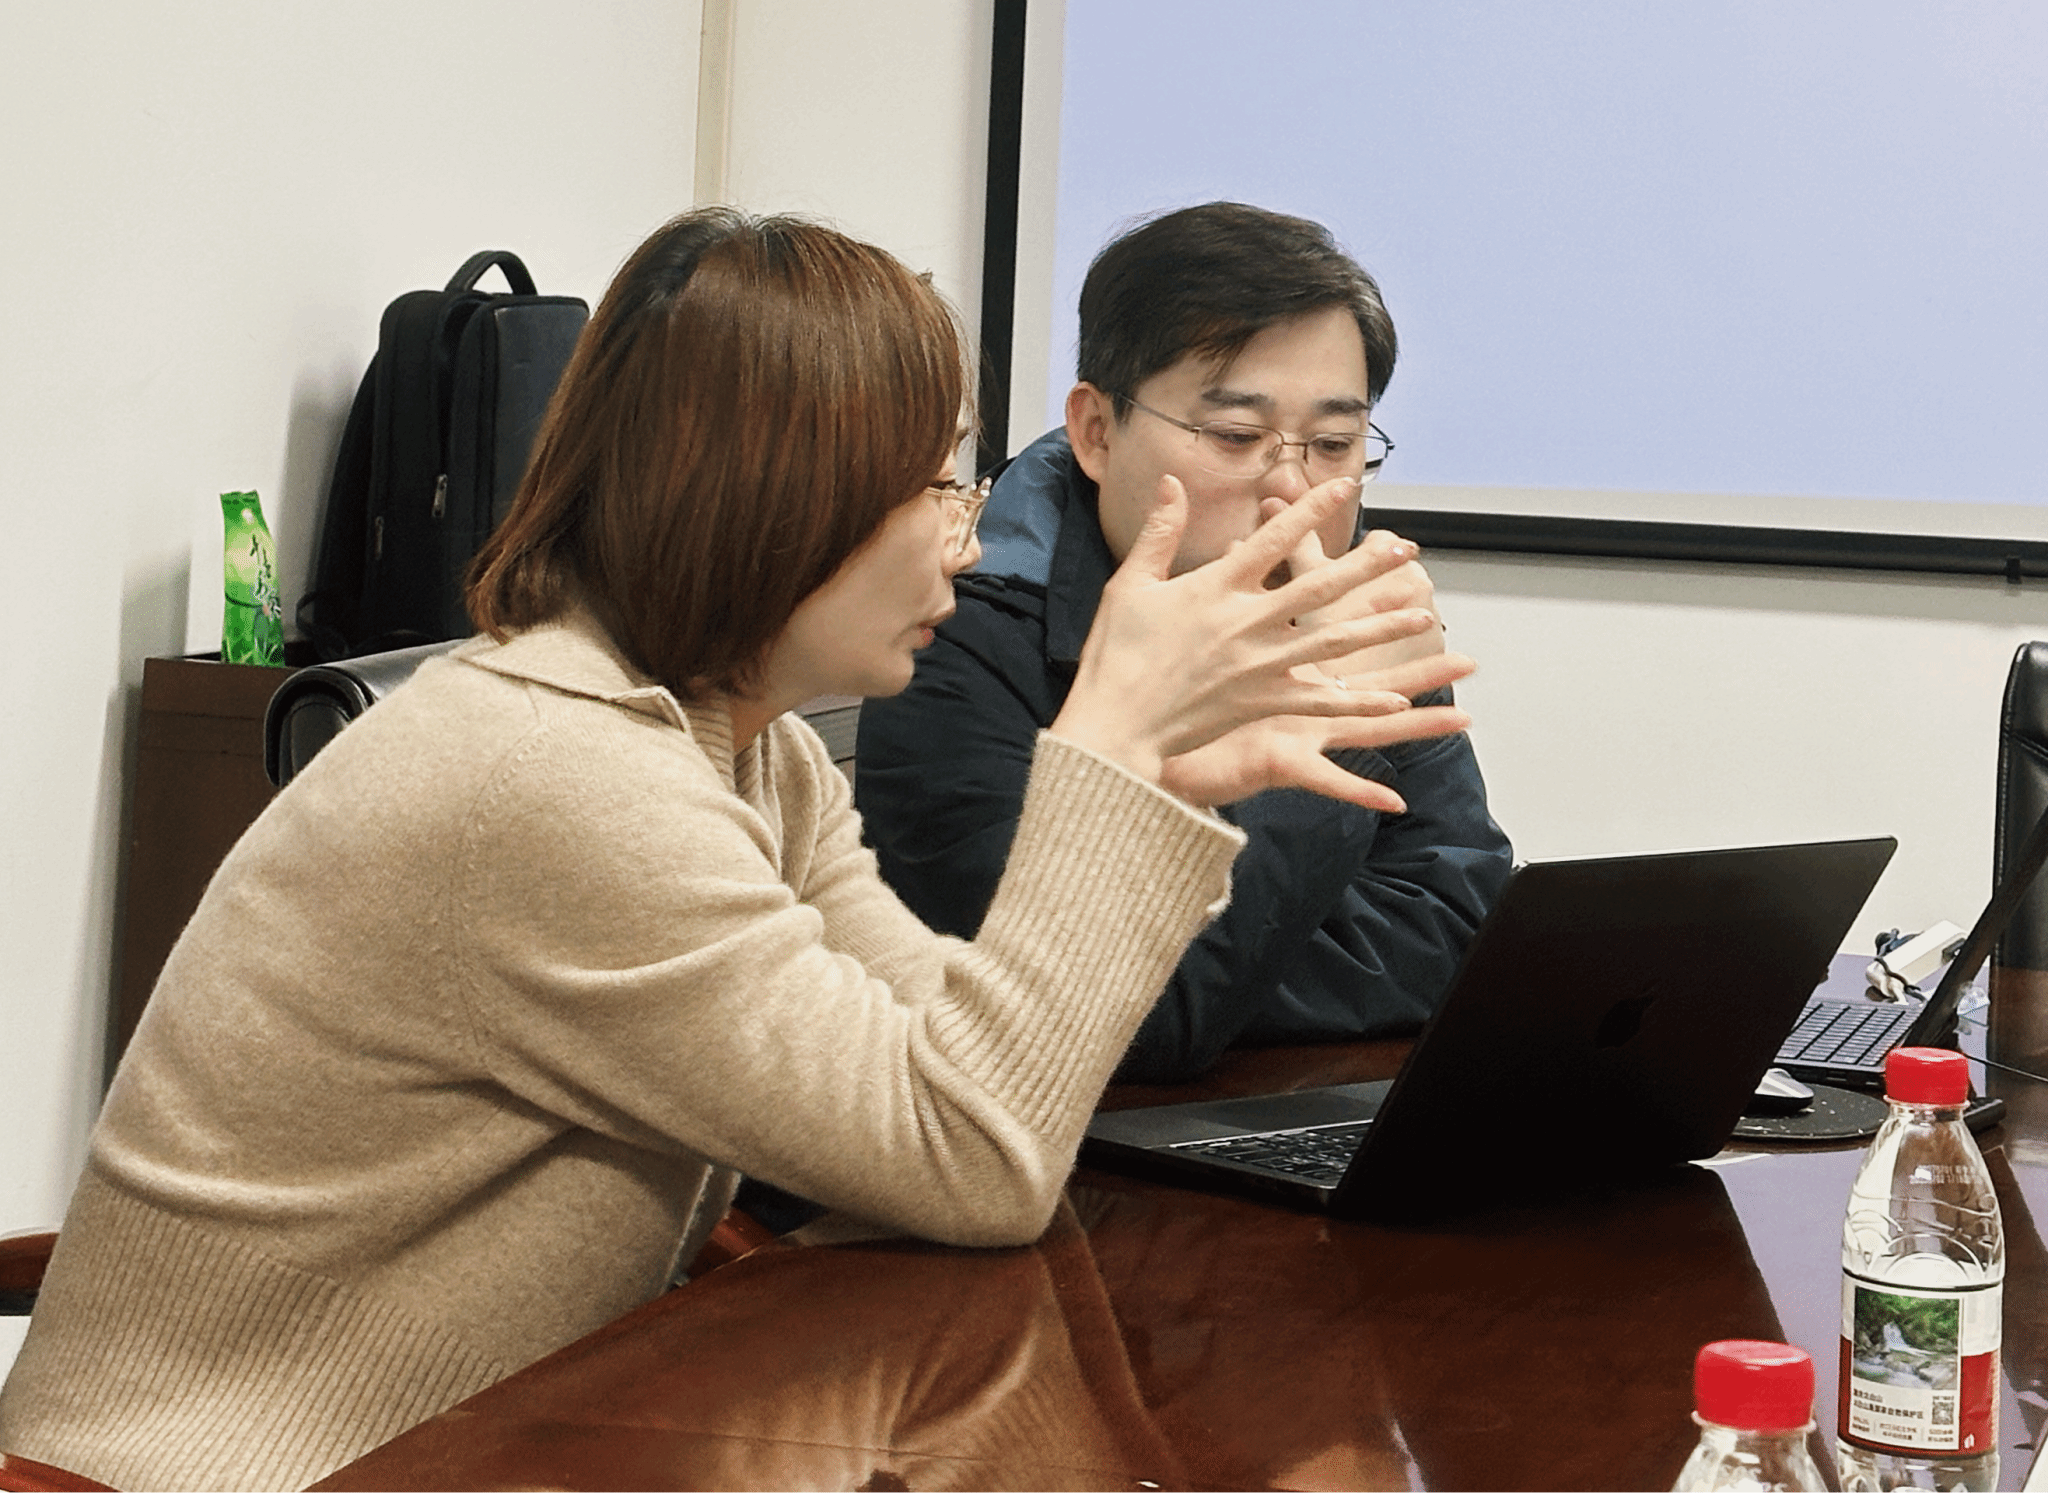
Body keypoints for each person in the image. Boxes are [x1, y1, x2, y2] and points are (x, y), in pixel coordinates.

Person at [0, 210, 1476, 1492]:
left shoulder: (749, 751)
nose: (966, 543)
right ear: (775, 504)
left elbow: (947, 1070)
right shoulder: (558, 777)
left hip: (510, 1434)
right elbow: (977, 1157)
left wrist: (1148, 779)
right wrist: (1111, 758)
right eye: (934, 490)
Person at [856, 202, 1514, 1083]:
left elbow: (1459, 930)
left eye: (1334, 443)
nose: (1292, 489)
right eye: (1236, 437)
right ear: (1096, 432)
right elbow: (1127, 1024)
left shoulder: (1353, 610)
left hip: (1297, 1115)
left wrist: (1216, 975)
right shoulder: (958, 636)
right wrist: (1325, 728)